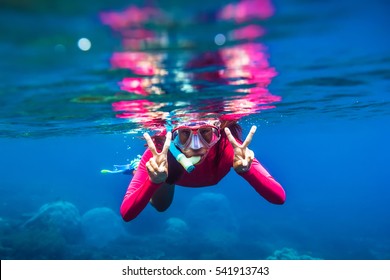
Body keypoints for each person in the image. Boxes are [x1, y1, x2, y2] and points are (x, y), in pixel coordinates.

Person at [120, 119, 285, 222]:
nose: (196, 146)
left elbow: (279, 197)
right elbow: (127, 214)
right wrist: (153, 181)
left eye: (205, 132)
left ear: (217, 131)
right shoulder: (159, 151)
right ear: (173, 134)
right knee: (162, 206)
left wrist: (247, 171)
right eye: (185, 133)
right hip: (167, 174)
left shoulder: (230, 147)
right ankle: (139, 168)